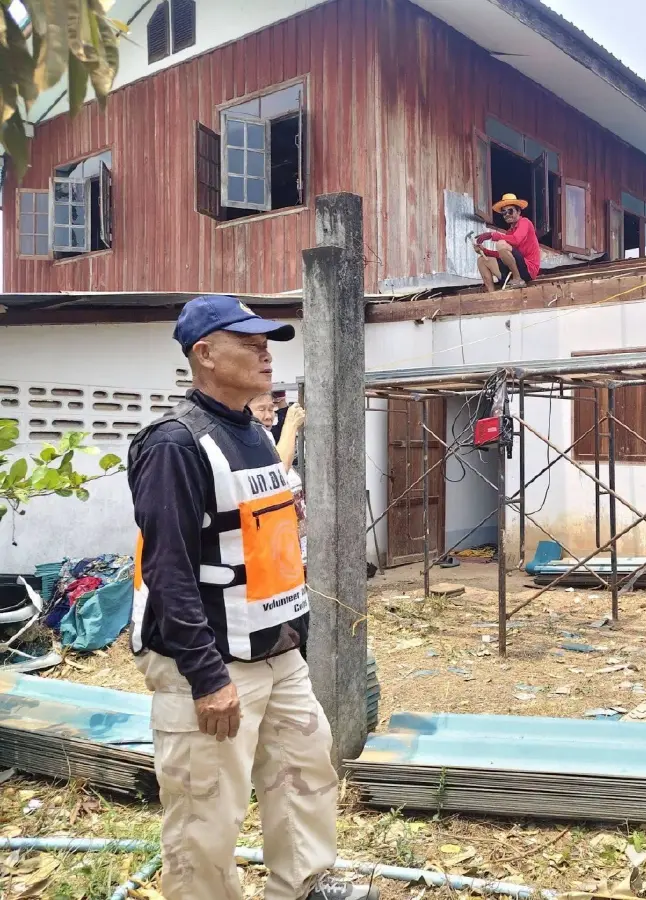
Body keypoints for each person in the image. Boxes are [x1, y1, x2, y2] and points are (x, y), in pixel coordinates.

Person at [128, 295, 377, 900]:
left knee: (304, 775)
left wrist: (299, 640)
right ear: (205, 354)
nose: (267, 352)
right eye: (250, 342)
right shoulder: (176, 444)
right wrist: (206, 677)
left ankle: (304, 886)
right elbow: (169, 570)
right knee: (205, 814)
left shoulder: (256, 435)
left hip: (275, 653)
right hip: (211, 666)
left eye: (268, 342)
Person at [251, 393, 309, 564]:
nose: (268, 415)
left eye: (271, 409)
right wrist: (291, 425)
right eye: (261, 409)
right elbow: (278, 471)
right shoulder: (252, 436)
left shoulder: (266, 434)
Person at [475, 193, 541, 291]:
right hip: (514, 267)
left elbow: (516, 240)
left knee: (501, 244)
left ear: (518, 211)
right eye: (504, 213)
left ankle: (517, 279)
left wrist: (492, 235)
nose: (507, 215)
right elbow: (504, 254)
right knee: (482, 260)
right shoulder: (509, 231)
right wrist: (484, 251)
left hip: (528, 270)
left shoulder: (525, 222)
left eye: (510, 211)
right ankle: (492, 294)